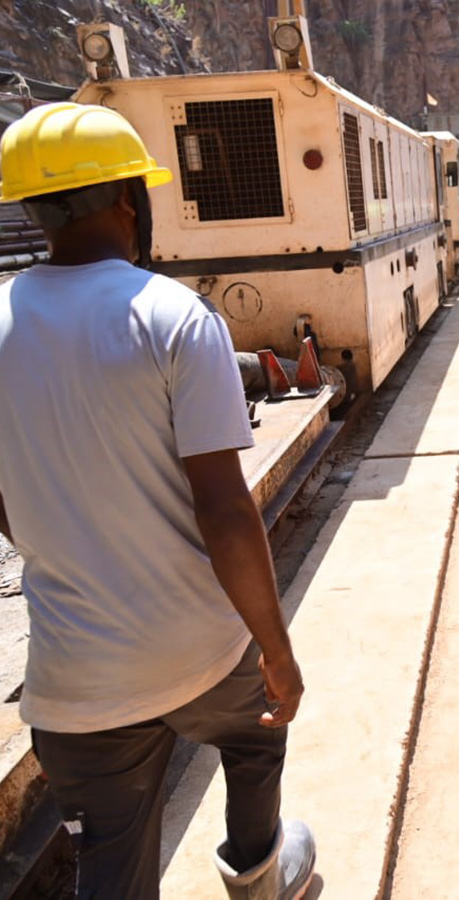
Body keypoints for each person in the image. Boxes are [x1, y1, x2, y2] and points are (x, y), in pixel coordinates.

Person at [0, 102, 315, 899]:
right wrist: (273, 647)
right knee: (255, 742)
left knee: (111, 856)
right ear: (128, 200)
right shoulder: (173, 316)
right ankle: (256, 879)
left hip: (73, 678)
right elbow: (224, 510)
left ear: (35, 212)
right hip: (199, 651)